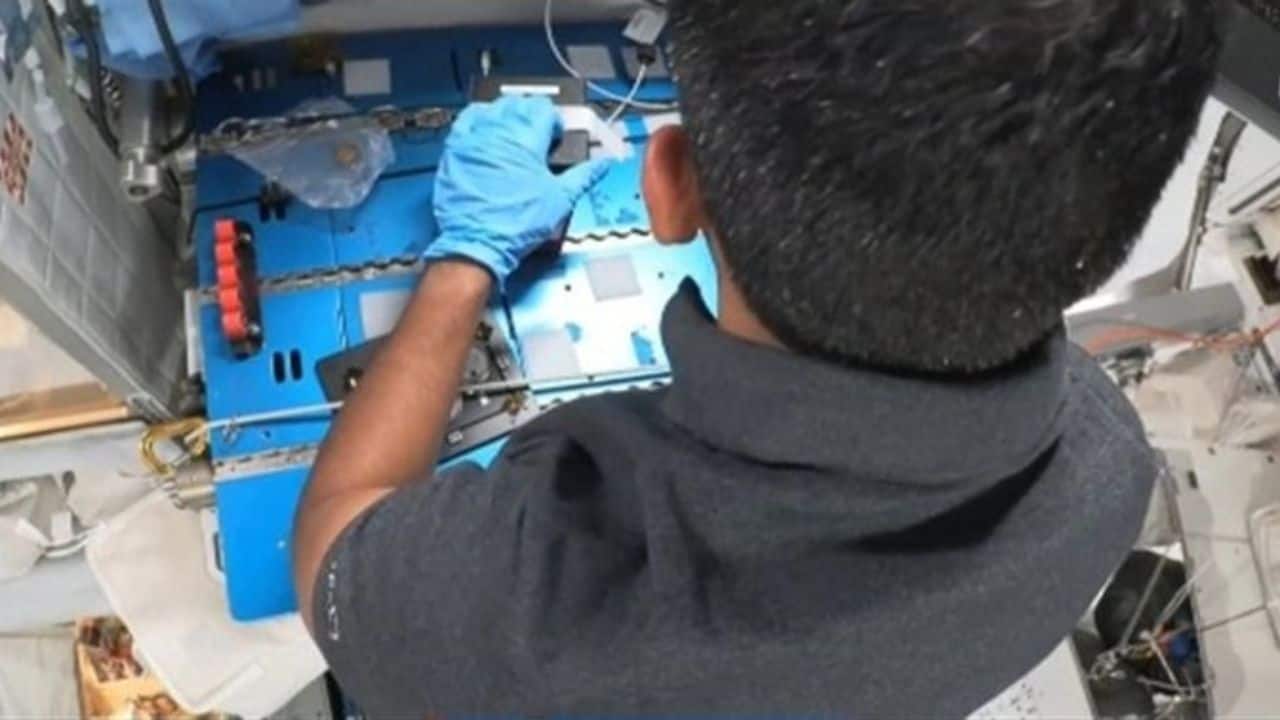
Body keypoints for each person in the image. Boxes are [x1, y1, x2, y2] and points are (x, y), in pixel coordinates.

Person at [291, 0, 1224, 715]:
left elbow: (335, 544)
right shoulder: (1111, 467)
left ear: (667, 188)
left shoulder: (529, 611)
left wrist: (466, 258)